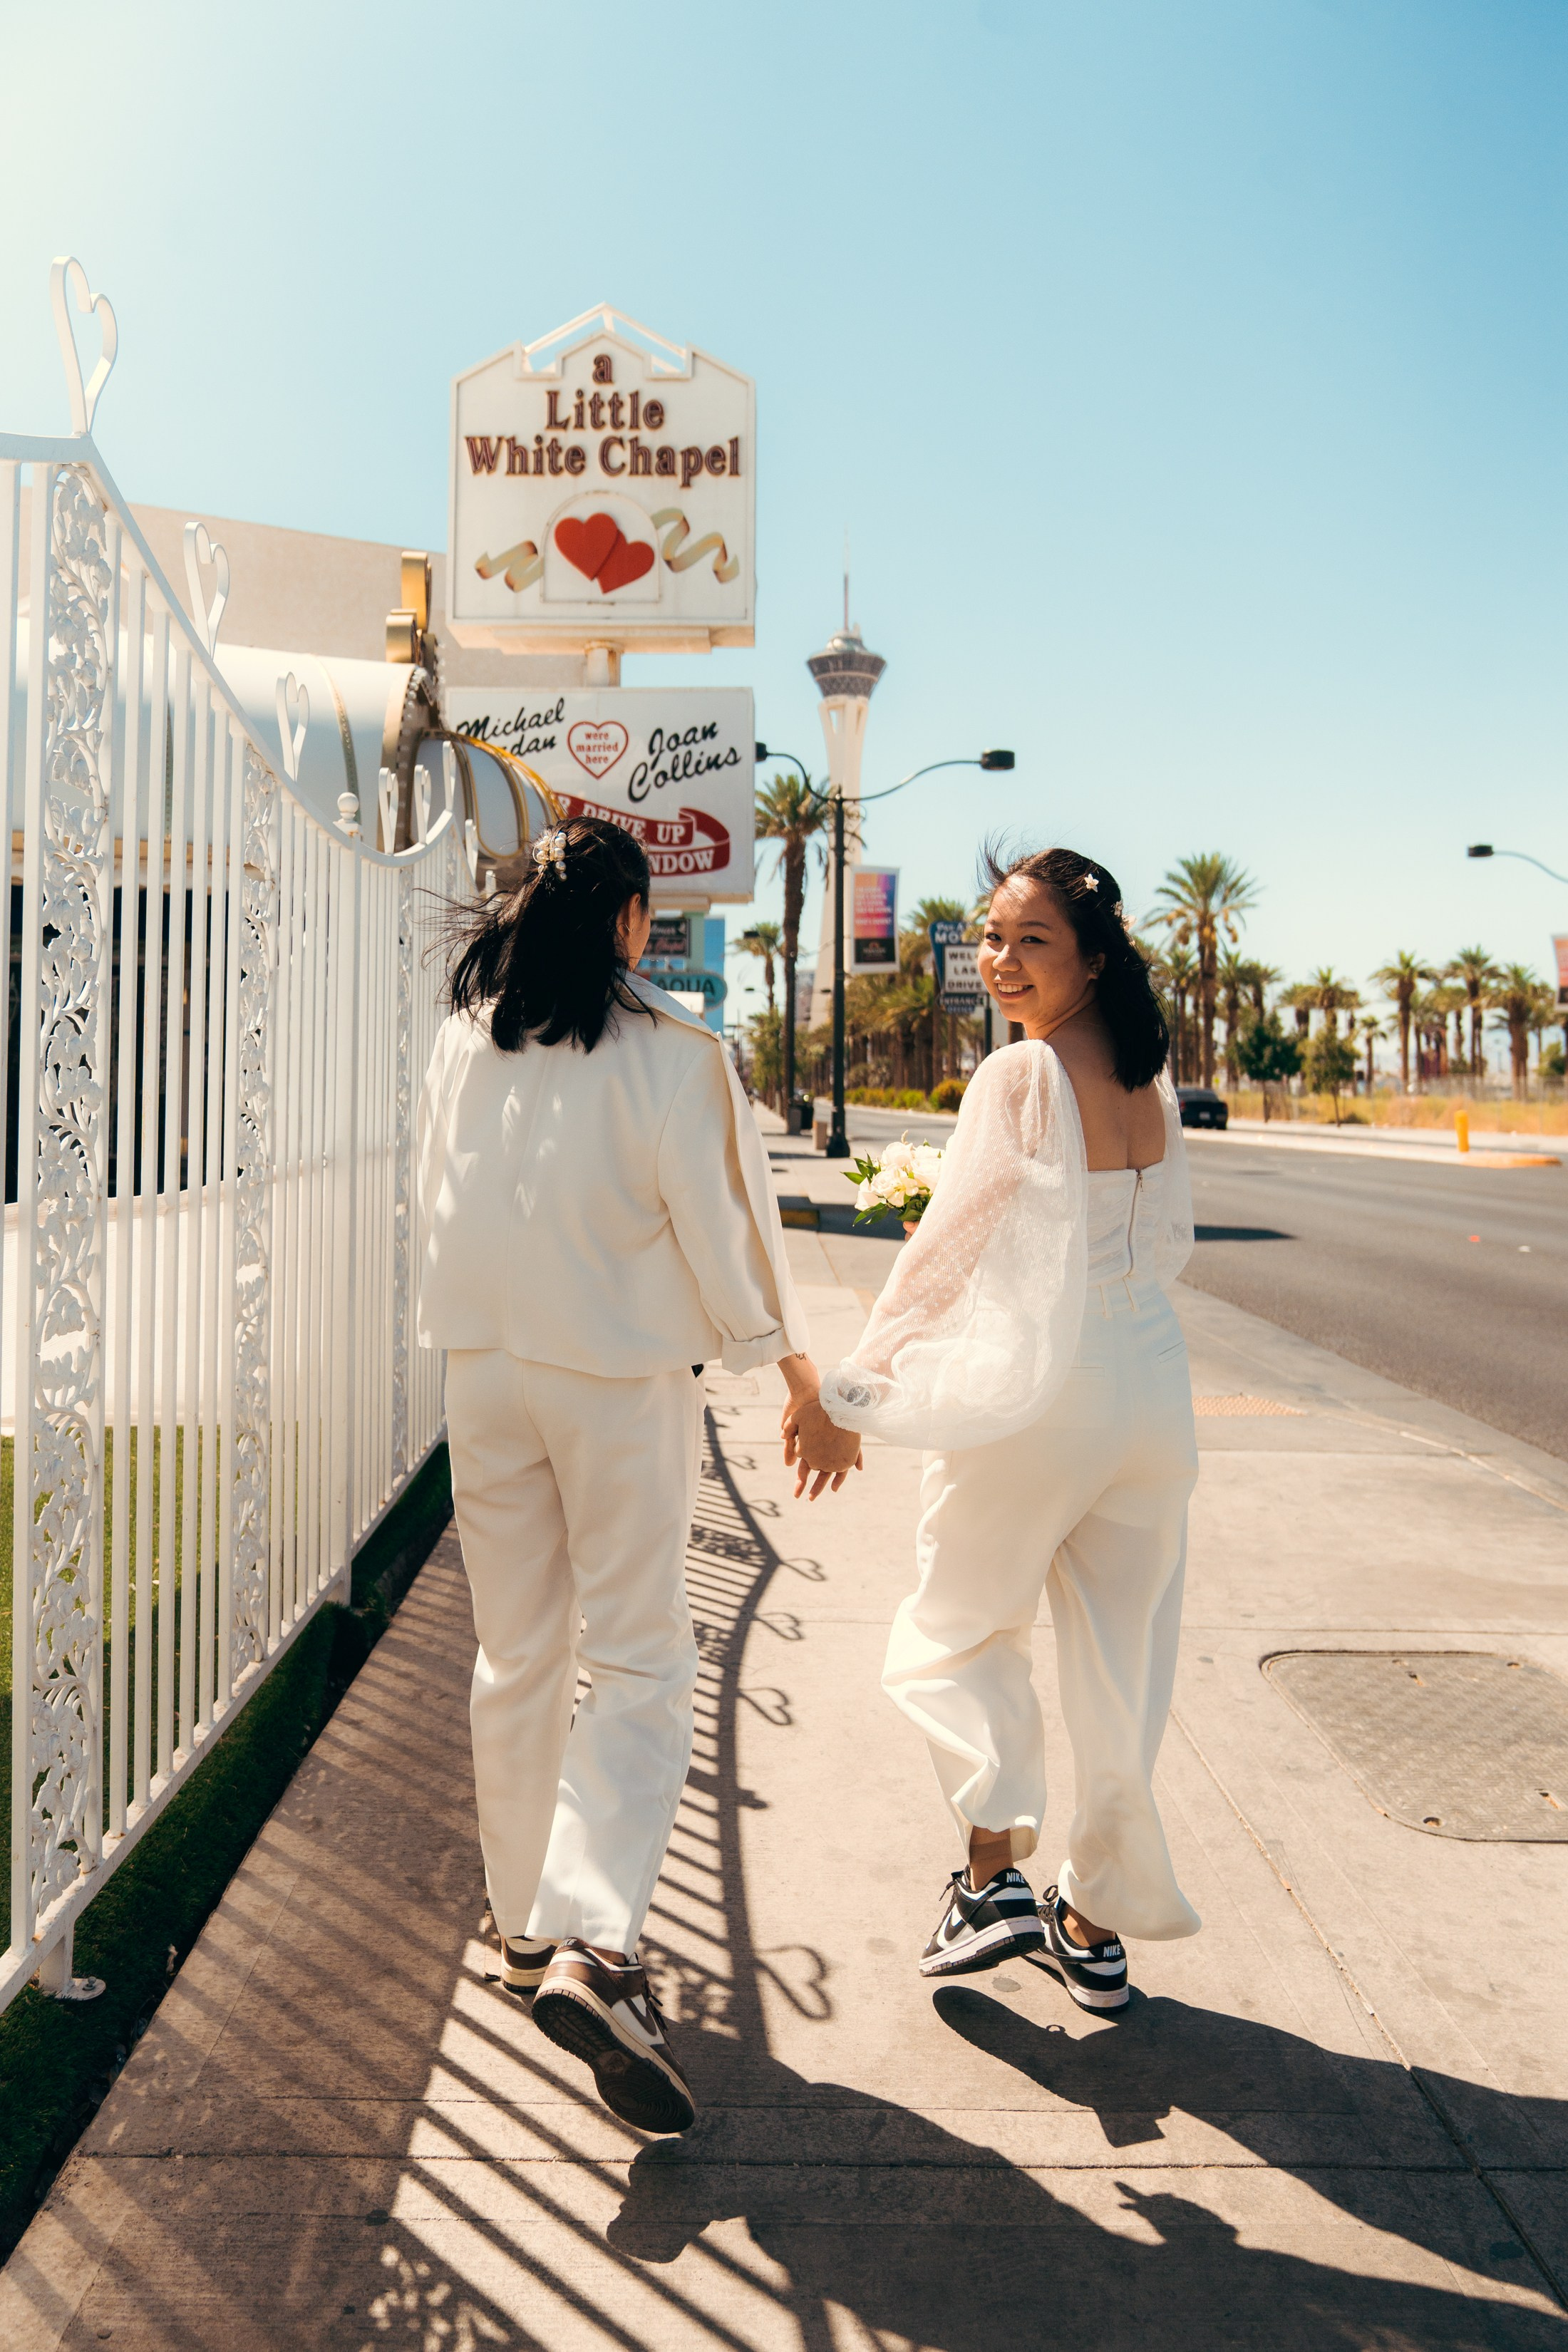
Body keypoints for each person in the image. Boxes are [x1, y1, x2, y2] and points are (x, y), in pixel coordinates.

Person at [417, 814, 842, 2134]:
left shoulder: (461, 1039)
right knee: (645, 1658)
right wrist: (791, 1374)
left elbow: (429, 1196)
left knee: (518, 1654)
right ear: (623, 922)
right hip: (611, 1379)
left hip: (481, 1367)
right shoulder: (673, 1050)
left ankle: (527, 1928)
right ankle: (598, 1943)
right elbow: (728, 1234)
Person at [784, 845, 1200, 2011]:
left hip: (1050, 1390)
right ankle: (1094, 1922)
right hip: (1150, 1392)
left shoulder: (1022, 1079)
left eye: (1033, 942)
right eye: (991, 936)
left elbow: (944, 1252)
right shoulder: (1147, 1077)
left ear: (1094, 956)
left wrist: (849, 1389)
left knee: (957, 1629)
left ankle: (992, 1884)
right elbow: (1162, 1246)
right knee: (1126, 1665)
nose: (1000, 962)